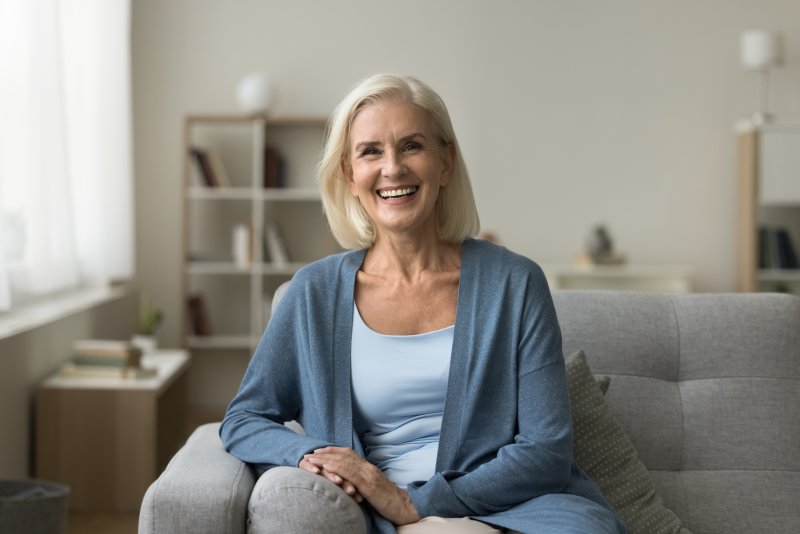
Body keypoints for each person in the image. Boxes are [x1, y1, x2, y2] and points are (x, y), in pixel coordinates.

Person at [220, 73, 626, 534]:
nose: (392, 168)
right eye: (370, 151)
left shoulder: (516, 283)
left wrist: (413, 502)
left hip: (513, 507)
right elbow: (244, 418)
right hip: (376, 514)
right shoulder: (312, 293)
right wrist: (306, 454)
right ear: (350, 175)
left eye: (411, 146)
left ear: (445, 162)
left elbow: (547, 451)